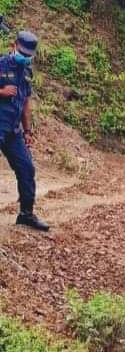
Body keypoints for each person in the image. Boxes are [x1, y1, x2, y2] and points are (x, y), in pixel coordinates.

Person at [0, 31, 48, 231]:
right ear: (14, 45)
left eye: (28, 55)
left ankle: (26, 215)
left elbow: (26, 103)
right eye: (22, 52)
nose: (25, 57)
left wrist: (27, 130)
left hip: (13, 131)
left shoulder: (27, 72)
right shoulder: (1, 64)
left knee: (27, 169)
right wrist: (1, 92)